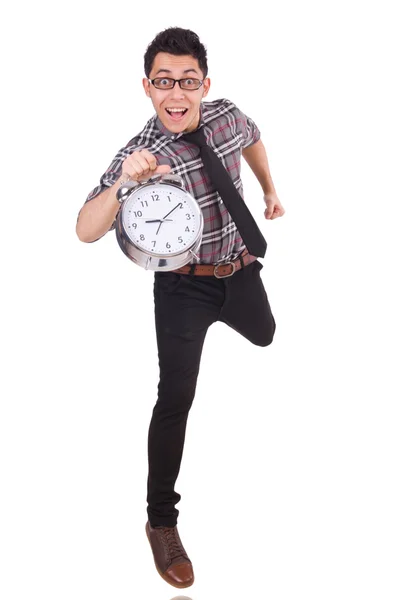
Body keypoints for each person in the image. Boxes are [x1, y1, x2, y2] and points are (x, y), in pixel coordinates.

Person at [76, 26, 285, 589]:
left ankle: (238, 311)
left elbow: (254, 138)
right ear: (147, 87)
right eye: (164, 81)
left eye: (187, 81)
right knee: (176, 398)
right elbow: (84, 229)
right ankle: (160, 522)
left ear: (205, 84)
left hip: (238, 268)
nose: (176, 93)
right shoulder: (141, 154)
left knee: (266, 335)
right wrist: (123, 182)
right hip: (183, 289)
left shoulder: (226, 116)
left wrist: (269, 190)